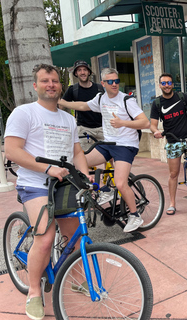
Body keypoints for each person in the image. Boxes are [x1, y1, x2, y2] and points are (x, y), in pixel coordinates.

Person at [4, 64, 92, 320]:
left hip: (64, 183)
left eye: (54, 81)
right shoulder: (24, 113)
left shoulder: (67, 118)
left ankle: (73, 278)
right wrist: (48, 168)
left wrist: (85, 174)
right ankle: (34, 291)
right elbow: (13, 151)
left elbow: (77, 152)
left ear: (60, 85)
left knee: (73, 236)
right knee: (44, 237)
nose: (51, 85)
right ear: (36, 85)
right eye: (45, 81)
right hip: (34, 184)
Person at [59, 67, 150, 233]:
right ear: (103, 83)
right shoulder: (100, 98)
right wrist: (62, 103)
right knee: (80, 162)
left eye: (116, 81)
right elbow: (83, 106)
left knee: (121, 183)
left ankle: (135, 215)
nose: (115, 84)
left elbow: (145, 123)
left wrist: (123, 123)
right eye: (110, 81)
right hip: (109, 143)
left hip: (126, 145)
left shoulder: (127, 100)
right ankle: (103, 190)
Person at [150, 73, 187, 215]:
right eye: (163, 83)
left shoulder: (182, 98)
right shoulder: (157, 103)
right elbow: (152, 125)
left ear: (173, 84)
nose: (166, 85)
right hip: (172, 141)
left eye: (169, 83)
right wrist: (156, 132)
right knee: (173, 174)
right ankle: (172, 203)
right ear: (160, 85)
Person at [62, 60, 105, 150]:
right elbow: (61, 105)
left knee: (110, 155)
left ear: (89, 72)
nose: (82, 72)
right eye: (79, 70)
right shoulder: (73, 89)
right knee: (85, 157)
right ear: (76, 73)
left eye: (85, 70)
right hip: (84, 129)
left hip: (102, 128)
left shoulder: (99, 88)